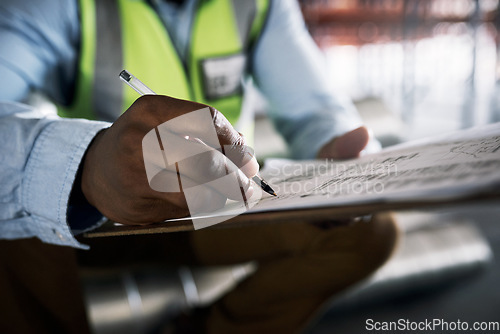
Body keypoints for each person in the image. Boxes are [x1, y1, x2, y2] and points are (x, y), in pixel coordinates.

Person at [0, 0, 398, 333]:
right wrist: (87, 164)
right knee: (20, 197)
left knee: (364, 228)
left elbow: (315, 110)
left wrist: (337, 145)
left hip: (217, 205)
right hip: (98, 221)